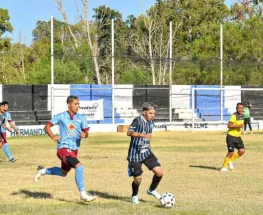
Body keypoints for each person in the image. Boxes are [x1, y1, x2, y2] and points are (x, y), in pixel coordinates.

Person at [34, 95, 97, 202]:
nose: (78, 106)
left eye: (78, 104)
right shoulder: (61, 116)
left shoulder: (81, 118)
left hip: (74, 150)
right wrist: (53, 136)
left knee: (63, 173)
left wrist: (84, 134)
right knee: (79, 167)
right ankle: (83, 194)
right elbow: (47, 126)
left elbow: (86, 133)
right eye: (75, 104)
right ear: (69, 105)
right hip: (63, 148)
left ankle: (42, 171)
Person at [127, 102, 163, 204]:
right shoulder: (137, 121)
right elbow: (129, 132)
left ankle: (151, 190)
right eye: (150, 113)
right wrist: (142, 135)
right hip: (135, 154)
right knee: (138, 179)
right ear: (144, 112)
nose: (152, 115)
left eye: (154, 113)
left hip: (147, 152)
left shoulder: (152, 122)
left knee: (159, 173)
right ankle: (134, 196)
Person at [220, 103, 245, 172]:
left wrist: (241, 130)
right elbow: (229, 125)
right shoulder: (234, 115)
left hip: (238, 137)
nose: (240, 109)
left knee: (242, 151)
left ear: (243, 109)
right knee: (231, 153)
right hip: (231, 137)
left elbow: (240, 125)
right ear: (236, 108)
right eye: (239, 108)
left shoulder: (242, 116)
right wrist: (239, 126)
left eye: (241, 108)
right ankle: (223, 167)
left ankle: (230, 161)